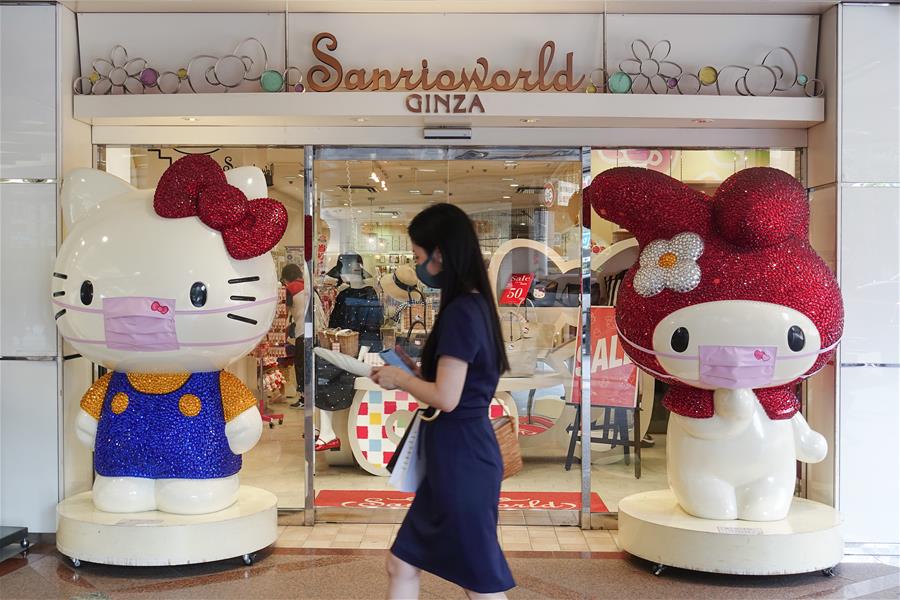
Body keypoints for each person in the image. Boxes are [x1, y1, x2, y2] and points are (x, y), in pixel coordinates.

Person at [371, 203, 515, 599]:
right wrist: (417, 376)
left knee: (479, 580)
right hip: (459, 458)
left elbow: (447, 398)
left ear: (440, 254)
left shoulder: (461, 312)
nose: (416, 267)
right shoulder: (475, 306)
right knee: (402, 563)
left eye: (418, 257)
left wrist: (401, 378)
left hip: (461, 461)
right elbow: (456, 388)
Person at [281, 263, 305, 409]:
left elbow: (284, 312)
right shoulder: (307, 286)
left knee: (300, 366)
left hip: (302, 332)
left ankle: (303, 398)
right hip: (313, 331)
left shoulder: (291, 289)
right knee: (308, 366)